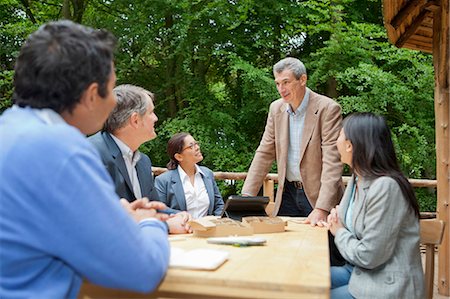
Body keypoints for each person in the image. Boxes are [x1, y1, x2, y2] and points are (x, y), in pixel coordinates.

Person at [0, 21, 170, 298]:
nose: (115, 103)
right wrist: (150, 221)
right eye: (111, 89)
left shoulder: (10, 130)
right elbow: (142, 271)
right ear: (92, 95)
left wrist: (116, 217)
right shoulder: (61, 148)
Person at [326, 113, 424, 298]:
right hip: (358, 271)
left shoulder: (386, 187)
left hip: (386, 285)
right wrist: (338, 219)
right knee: (300, 283)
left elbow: (368, 256)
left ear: (350, 144)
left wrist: (338, 231)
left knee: (311, 293)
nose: (335, 142)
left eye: (339, 135)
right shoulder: (358, 178)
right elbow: (352, 225)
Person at [241, 57, 344, 226]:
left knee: (321, 249)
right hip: (287, 192)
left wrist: (322, 208)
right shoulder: (276, 108)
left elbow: (332, 161)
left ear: (302, 79)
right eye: (277, 83)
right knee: (281, 246)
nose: (281, 89)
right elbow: (264, 152)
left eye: (286, 82)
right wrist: (246, 197)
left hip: (319, 197)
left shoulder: (327, 108)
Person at [89, 84, 191, 234]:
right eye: (151, 112)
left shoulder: (143, 162)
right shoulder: (91, 154)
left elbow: (152, 206)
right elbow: (98, 219)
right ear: (135, 120)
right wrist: (167, 226)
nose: (156, 118)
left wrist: (176, 214)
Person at [155, 132, 224, 219]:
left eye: (196, 144)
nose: (197, 148)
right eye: (191, 146)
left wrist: (216, 220)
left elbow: (219, 205)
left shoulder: (207, 174)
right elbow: (161, 210)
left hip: (208, 229)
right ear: (179, 157)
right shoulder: (163, 181)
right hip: (180, 230)